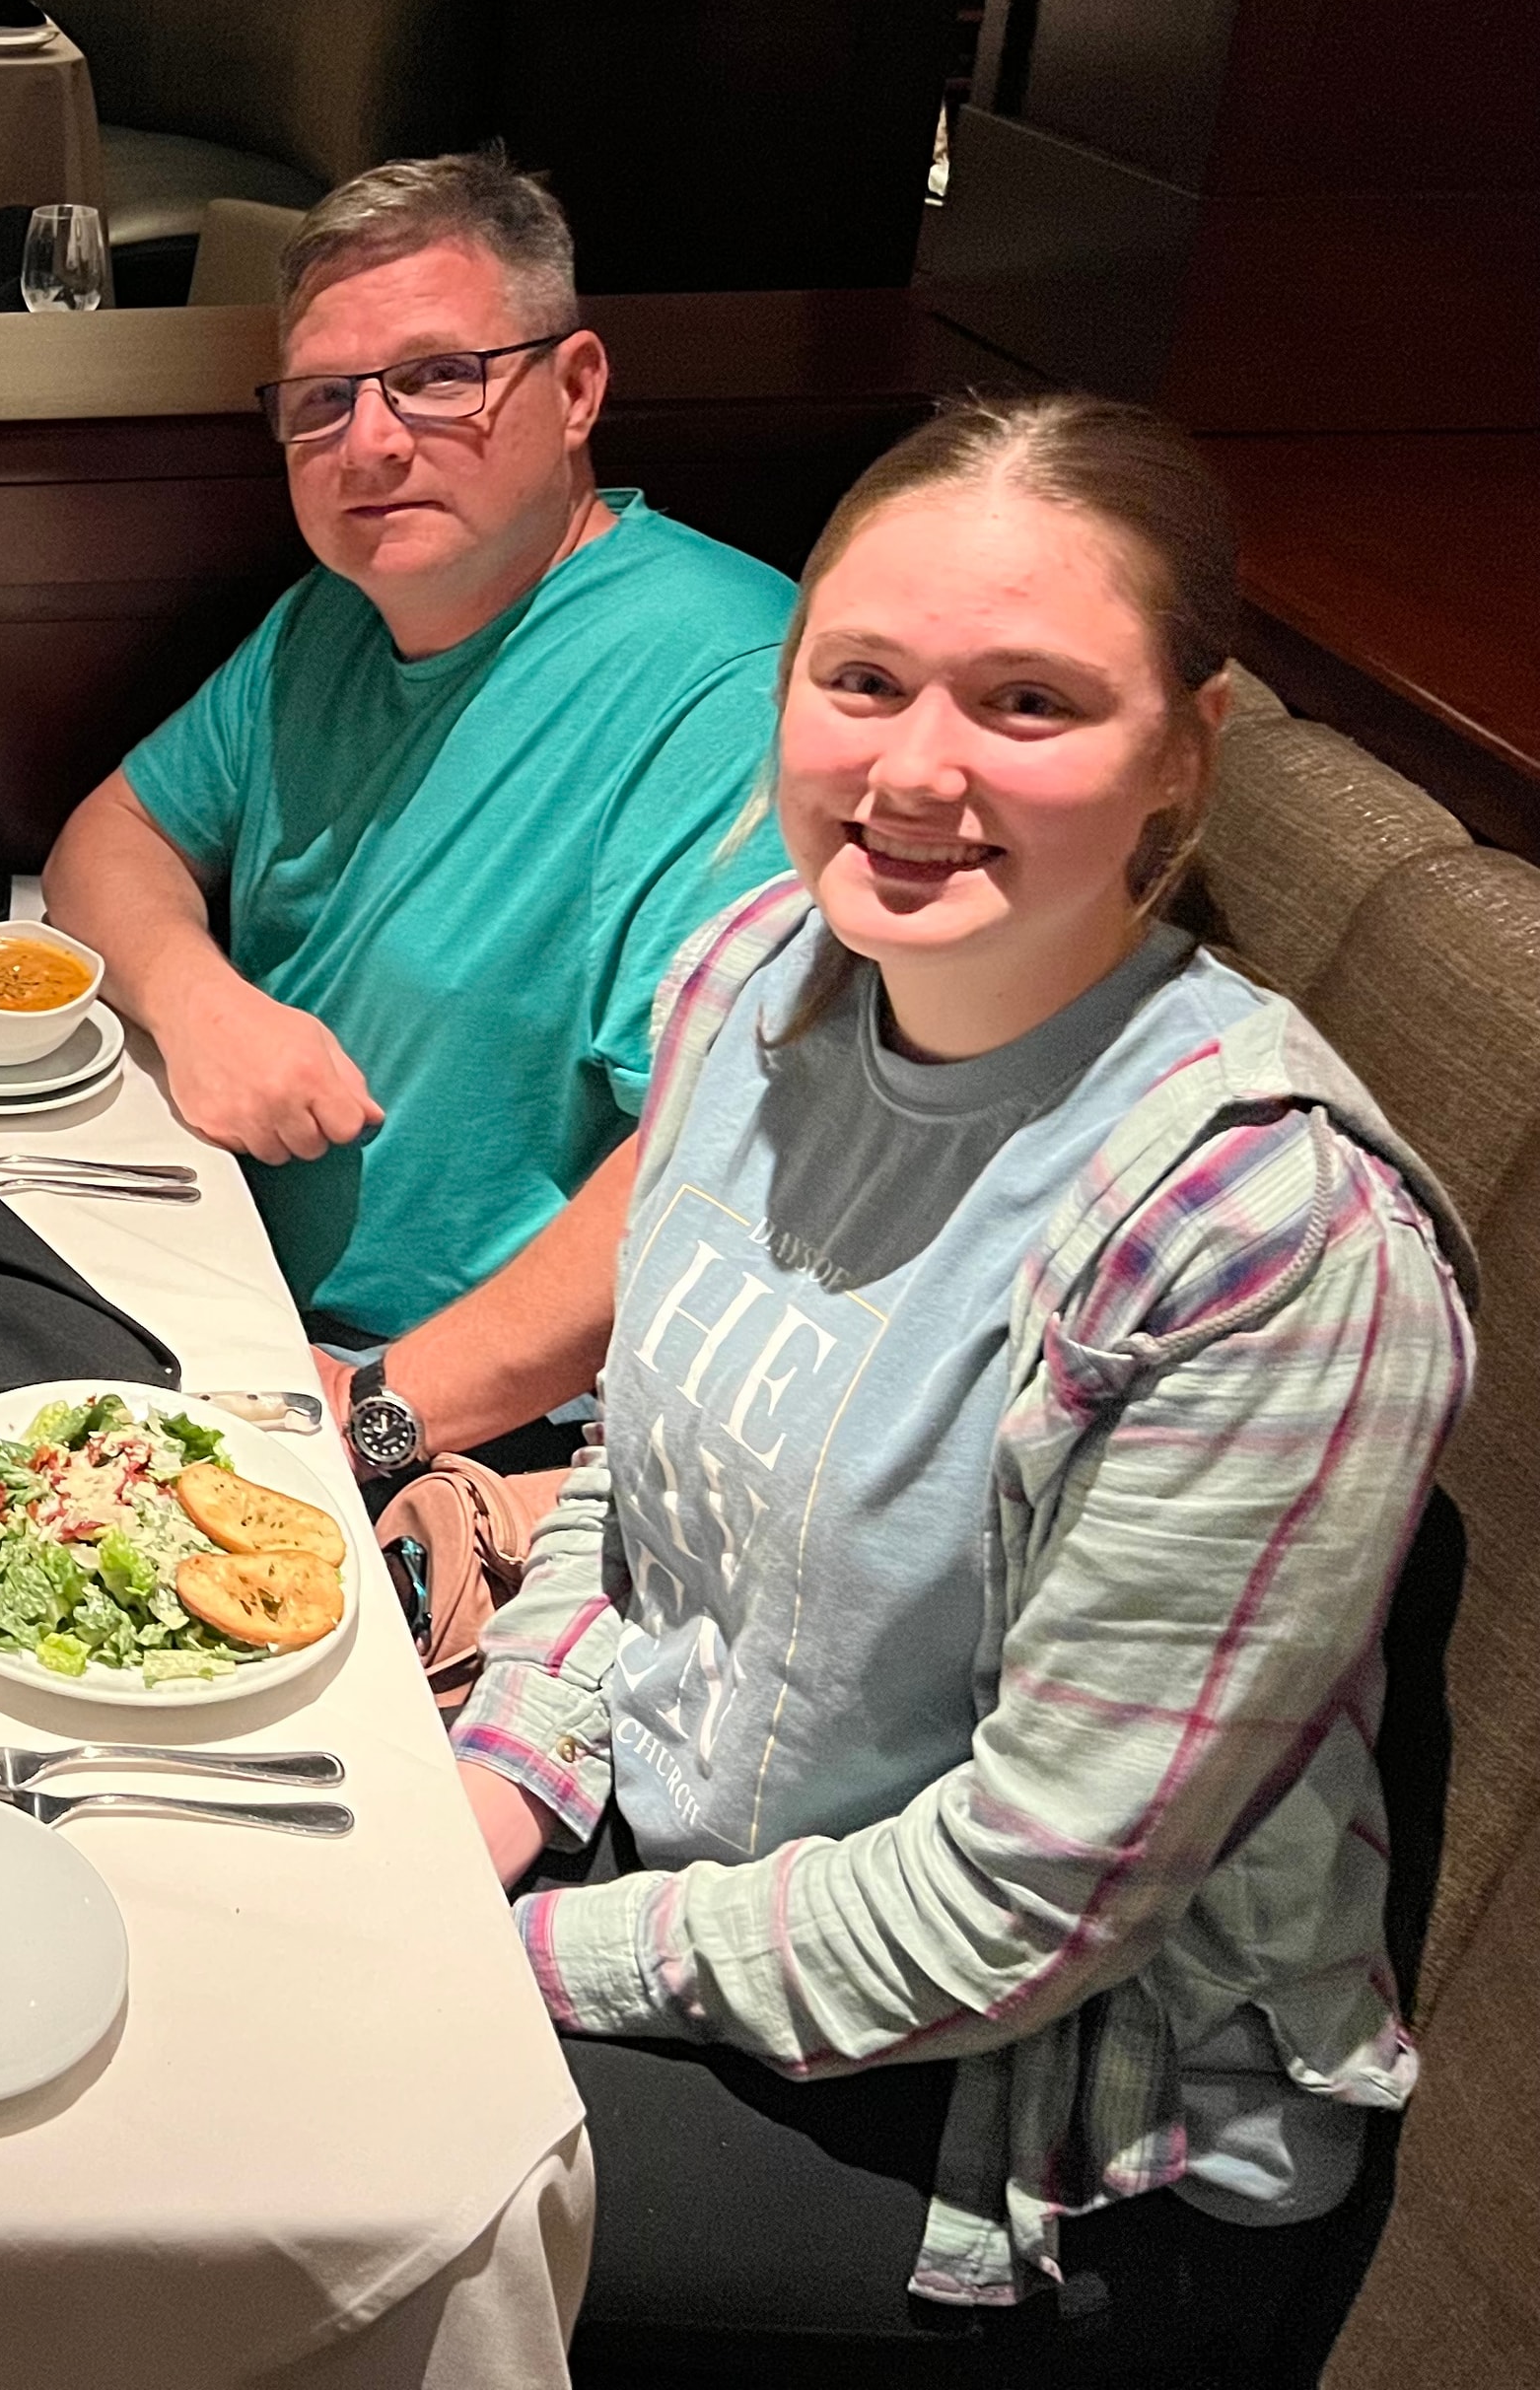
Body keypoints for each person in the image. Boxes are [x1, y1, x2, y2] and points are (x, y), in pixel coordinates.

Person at [437, 398, 1472, 2374]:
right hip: (692, 1893)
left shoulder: (1264, 1235)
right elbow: (630, 1490)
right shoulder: (757, 976)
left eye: (1028, 703)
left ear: (1186, 746)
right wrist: (511, 1772)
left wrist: (514, 1955)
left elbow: (1019, 1912)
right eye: (866, 680)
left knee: (309, 2150)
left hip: (1043, 2118)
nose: (918, 771)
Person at [41, 153, 794, 1481]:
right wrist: (196, 998)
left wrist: (369, 1418)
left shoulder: (726, 681)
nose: (372, 442)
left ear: (574, 392)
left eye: (440, 377)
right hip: (221, 1292)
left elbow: (718, 1167)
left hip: (453, 1427)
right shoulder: (335, 615)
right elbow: (110, 839)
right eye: (323, 400)